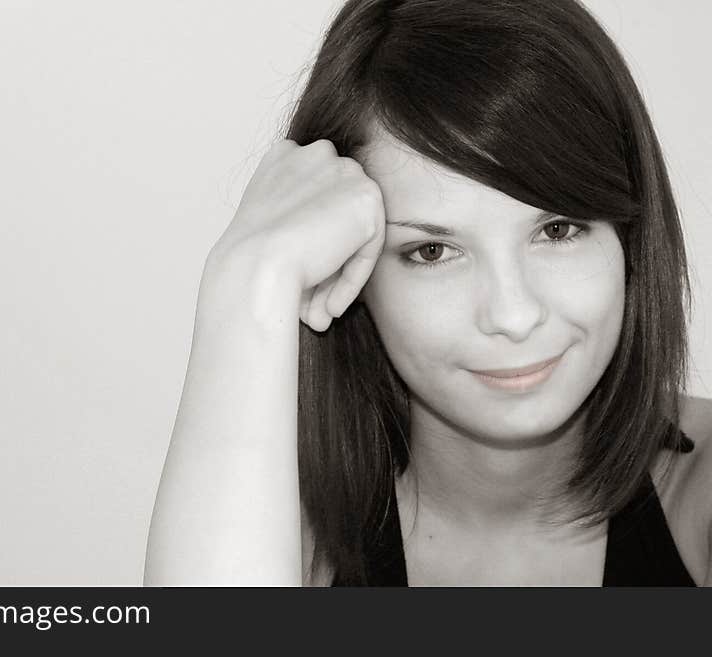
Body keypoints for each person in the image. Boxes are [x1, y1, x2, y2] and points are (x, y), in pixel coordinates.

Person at [143, 0, 712, 586]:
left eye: (557, 230)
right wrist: (249, 280)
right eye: (433, 252)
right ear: (352, 276)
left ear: (629, 237)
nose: (513, 315)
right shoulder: (275, 524)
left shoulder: (702, 491)